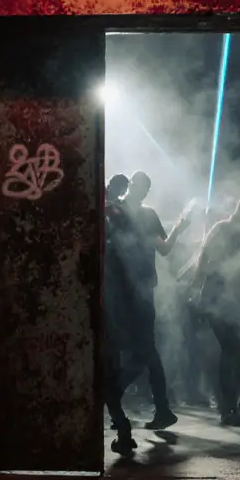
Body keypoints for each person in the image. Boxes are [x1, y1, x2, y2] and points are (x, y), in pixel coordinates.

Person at [116, 170, 193, 431]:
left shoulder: (143, 214)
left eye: (146, 188)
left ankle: (118, 397)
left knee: (143, 348)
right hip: (124, 289)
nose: (142, 191)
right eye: (140, 186)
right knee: (141, 349)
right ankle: (155, 407)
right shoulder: (115, 210)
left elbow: (164, 248)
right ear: (130, 185)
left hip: (136, 289)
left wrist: (179, 229)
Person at [193, 195, 240, 427]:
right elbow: (204, 261)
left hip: (238, 297)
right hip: (218, 298)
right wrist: (198, 291)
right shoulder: (222, 229)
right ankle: (228, 410)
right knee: (231, 349)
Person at [102, 174, 136, 454]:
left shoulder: (109, 217)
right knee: (108, 373)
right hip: (112, 308)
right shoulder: (117, 217)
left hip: (106, 308)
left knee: (106, 373)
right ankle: (122, 426)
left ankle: (122, 426)